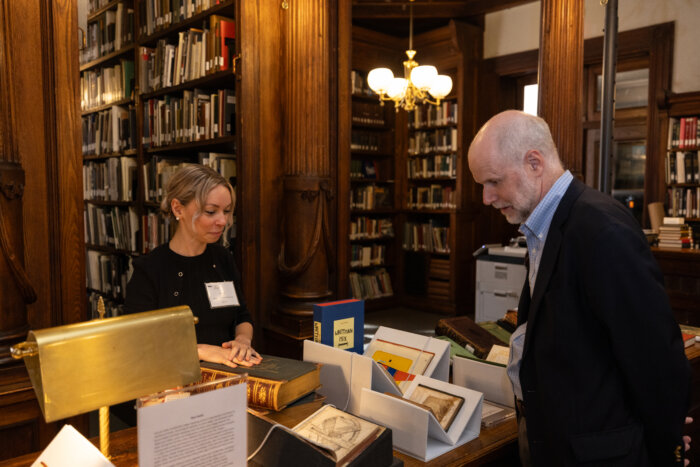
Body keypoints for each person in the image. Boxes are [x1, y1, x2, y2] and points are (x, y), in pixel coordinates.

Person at [468, 110, 690, 466]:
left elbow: (655, 358)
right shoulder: (543, 223)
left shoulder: (601, 230)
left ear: (534, 163)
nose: (486, 197)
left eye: (493, 181)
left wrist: (668, 445)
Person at [125, 164, 262, 368]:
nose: (222, 221)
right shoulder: (150, 269)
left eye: (226, 211)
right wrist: (202, 351)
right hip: (171, 383)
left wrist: (242, 340)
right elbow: (138, 343)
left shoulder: (223, 258)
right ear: (178, 208)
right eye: (210, 211)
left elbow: (242, 315)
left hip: (226, 377)